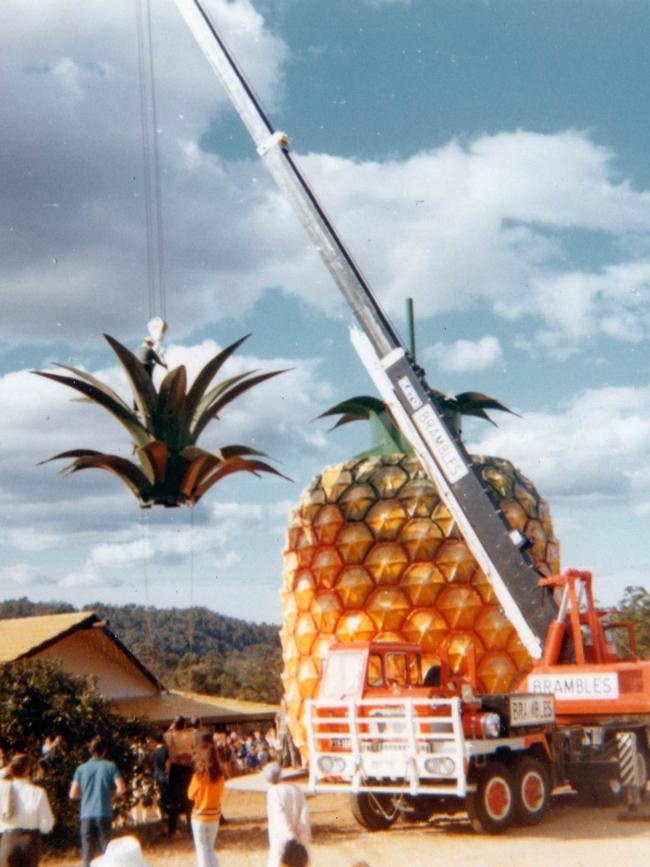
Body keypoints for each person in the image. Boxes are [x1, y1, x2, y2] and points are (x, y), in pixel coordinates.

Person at [69, 735, 127, 867]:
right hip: (104, 812)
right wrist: (112, 795)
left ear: (90, 750)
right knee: (106, 851)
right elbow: (122, 788)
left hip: (86, 814)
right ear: (105, 751)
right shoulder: (110, 766)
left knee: (87, 853)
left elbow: (72, 794)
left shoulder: (81, 769)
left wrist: (85, 796)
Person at [0, 754, 54, 867]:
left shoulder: (2, 791)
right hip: (30, 842)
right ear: (28, 769)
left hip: (8, 841)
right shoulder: (38, 792)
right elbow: (47, 823)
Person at [187, 734, 225, 867]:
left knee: (201, 850)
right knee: (210, 849)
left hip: (199, 816)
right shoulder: (220, 775)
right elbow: (220, 793)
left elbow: (190, 795)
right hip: (214, 816)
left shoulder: (198, 776)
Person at [264, 763, 310, 867]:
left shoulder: (273, 792)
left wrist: (291, 836)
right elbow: (304, 810)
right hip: (300, 836)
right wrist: (299, 828)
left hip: (283, 838)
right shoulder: (296, 788)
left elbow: (280, 816)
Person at [163, 717, 194, 837]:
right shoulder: (189, 735)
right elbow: (193, 746)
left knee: (174, 800)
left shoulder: (170, 736)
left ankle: (172, 829)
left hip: (176, 767)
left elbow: (165, 736)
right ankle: (190, 829)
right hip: (187, 767)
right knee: (189, 798)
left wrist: (171, 728)